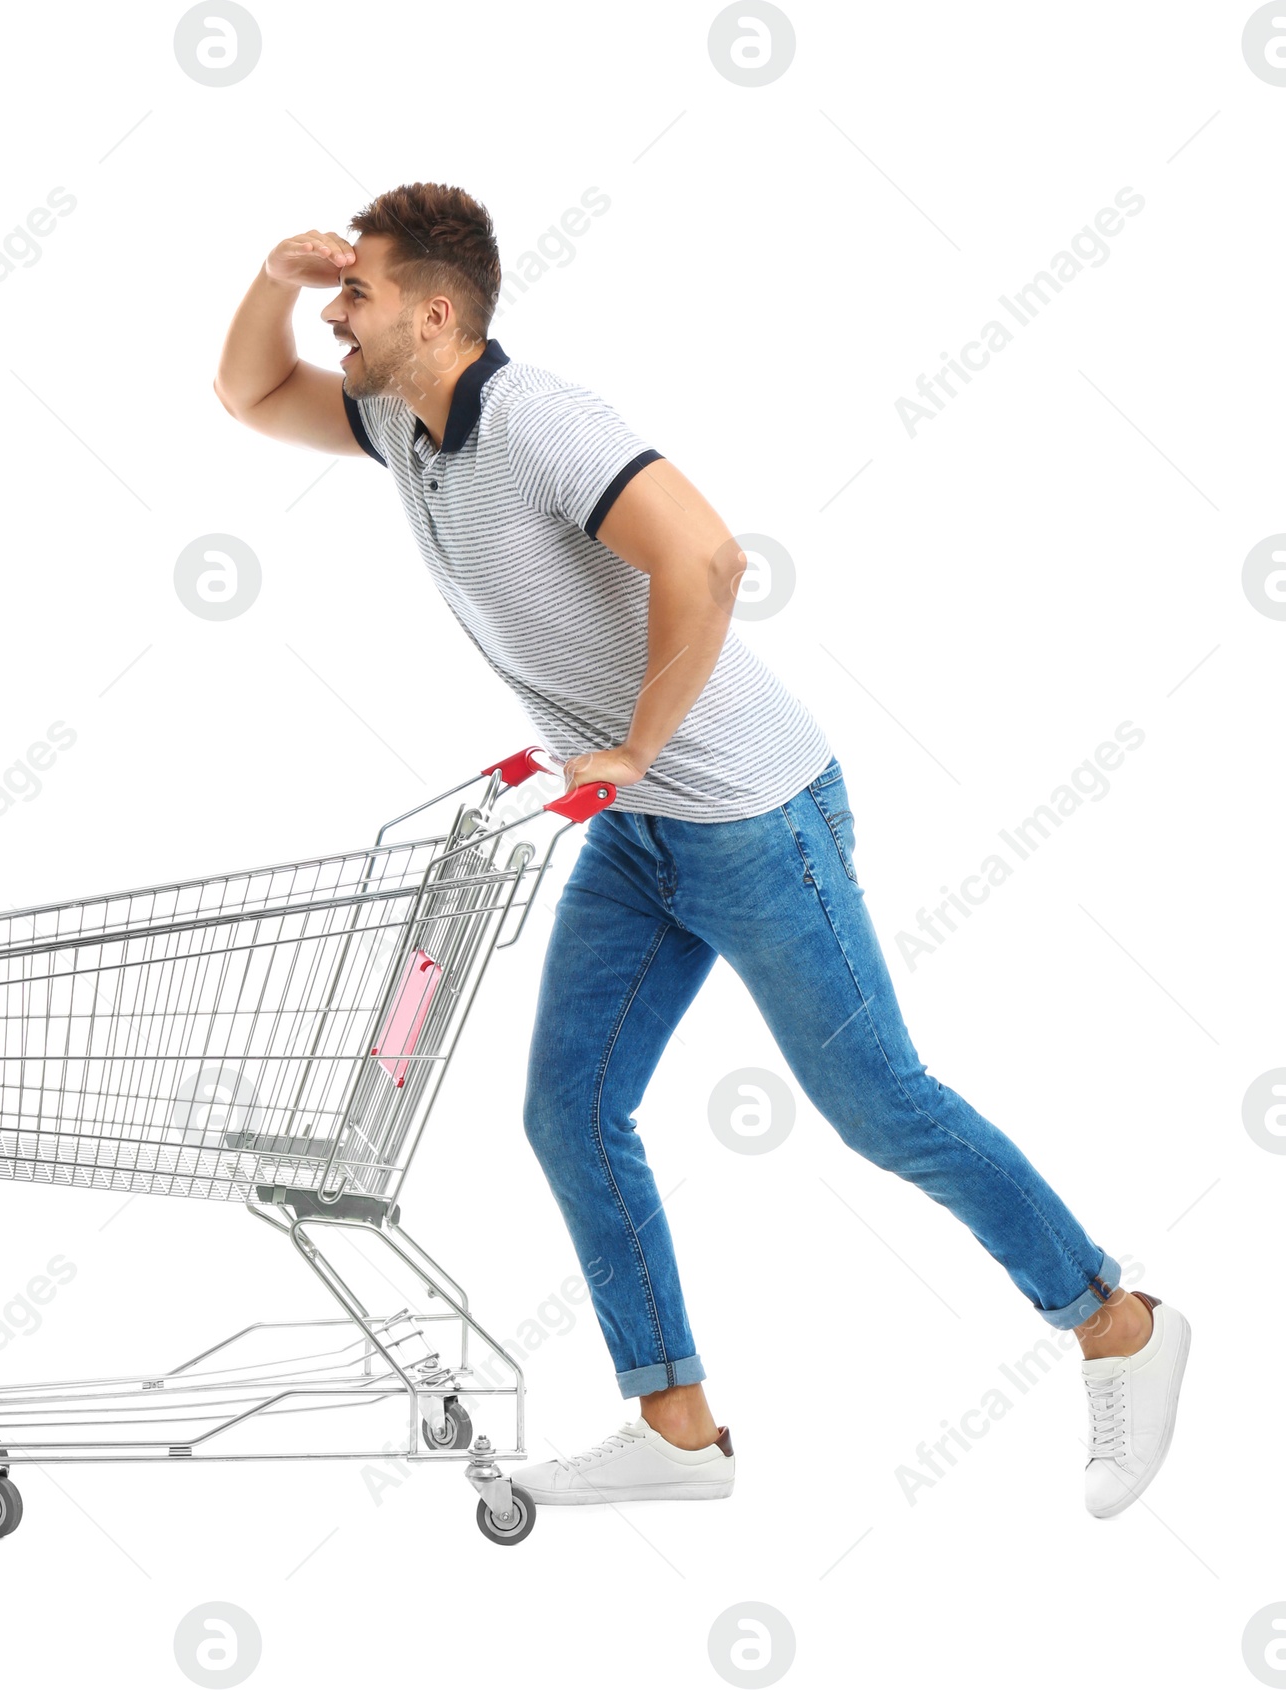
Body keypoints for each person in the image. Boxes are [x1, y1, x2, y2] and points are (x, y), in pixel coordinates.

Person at [212, 181, 1189, 1519]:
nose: (337, 312)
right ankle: (675, 1426)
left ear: (436, 313)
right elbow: (253, 397)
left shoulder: (547, 422)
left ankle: (1117, 1323)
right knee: (570, 1107)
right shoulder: (403, 420)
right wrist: (273, 276)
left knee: (882, 1107)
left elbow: (711, 559)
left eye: (357, 294)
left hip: (752, 815)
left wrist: (631, 745)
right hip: (643, 837)